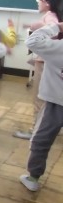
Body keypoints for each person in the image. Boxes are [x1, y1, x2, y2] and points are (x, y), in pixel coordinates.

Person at [19, 20, 63, 192]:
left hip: (55, 102)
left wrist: (56, 27)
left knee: (41, 139)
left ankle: (33, 178)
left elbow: (32, 41)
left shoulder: (58, 48)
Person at [14, 0, 63, 140]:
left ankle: (36, 130)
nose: (37, 2)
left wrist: (39, 27)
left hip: (44, 62)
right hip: (49, 61)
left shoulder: (51, 17)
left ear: (47, 2)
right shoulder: (54, 15)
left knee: (39, 98)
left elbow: (54, 31)